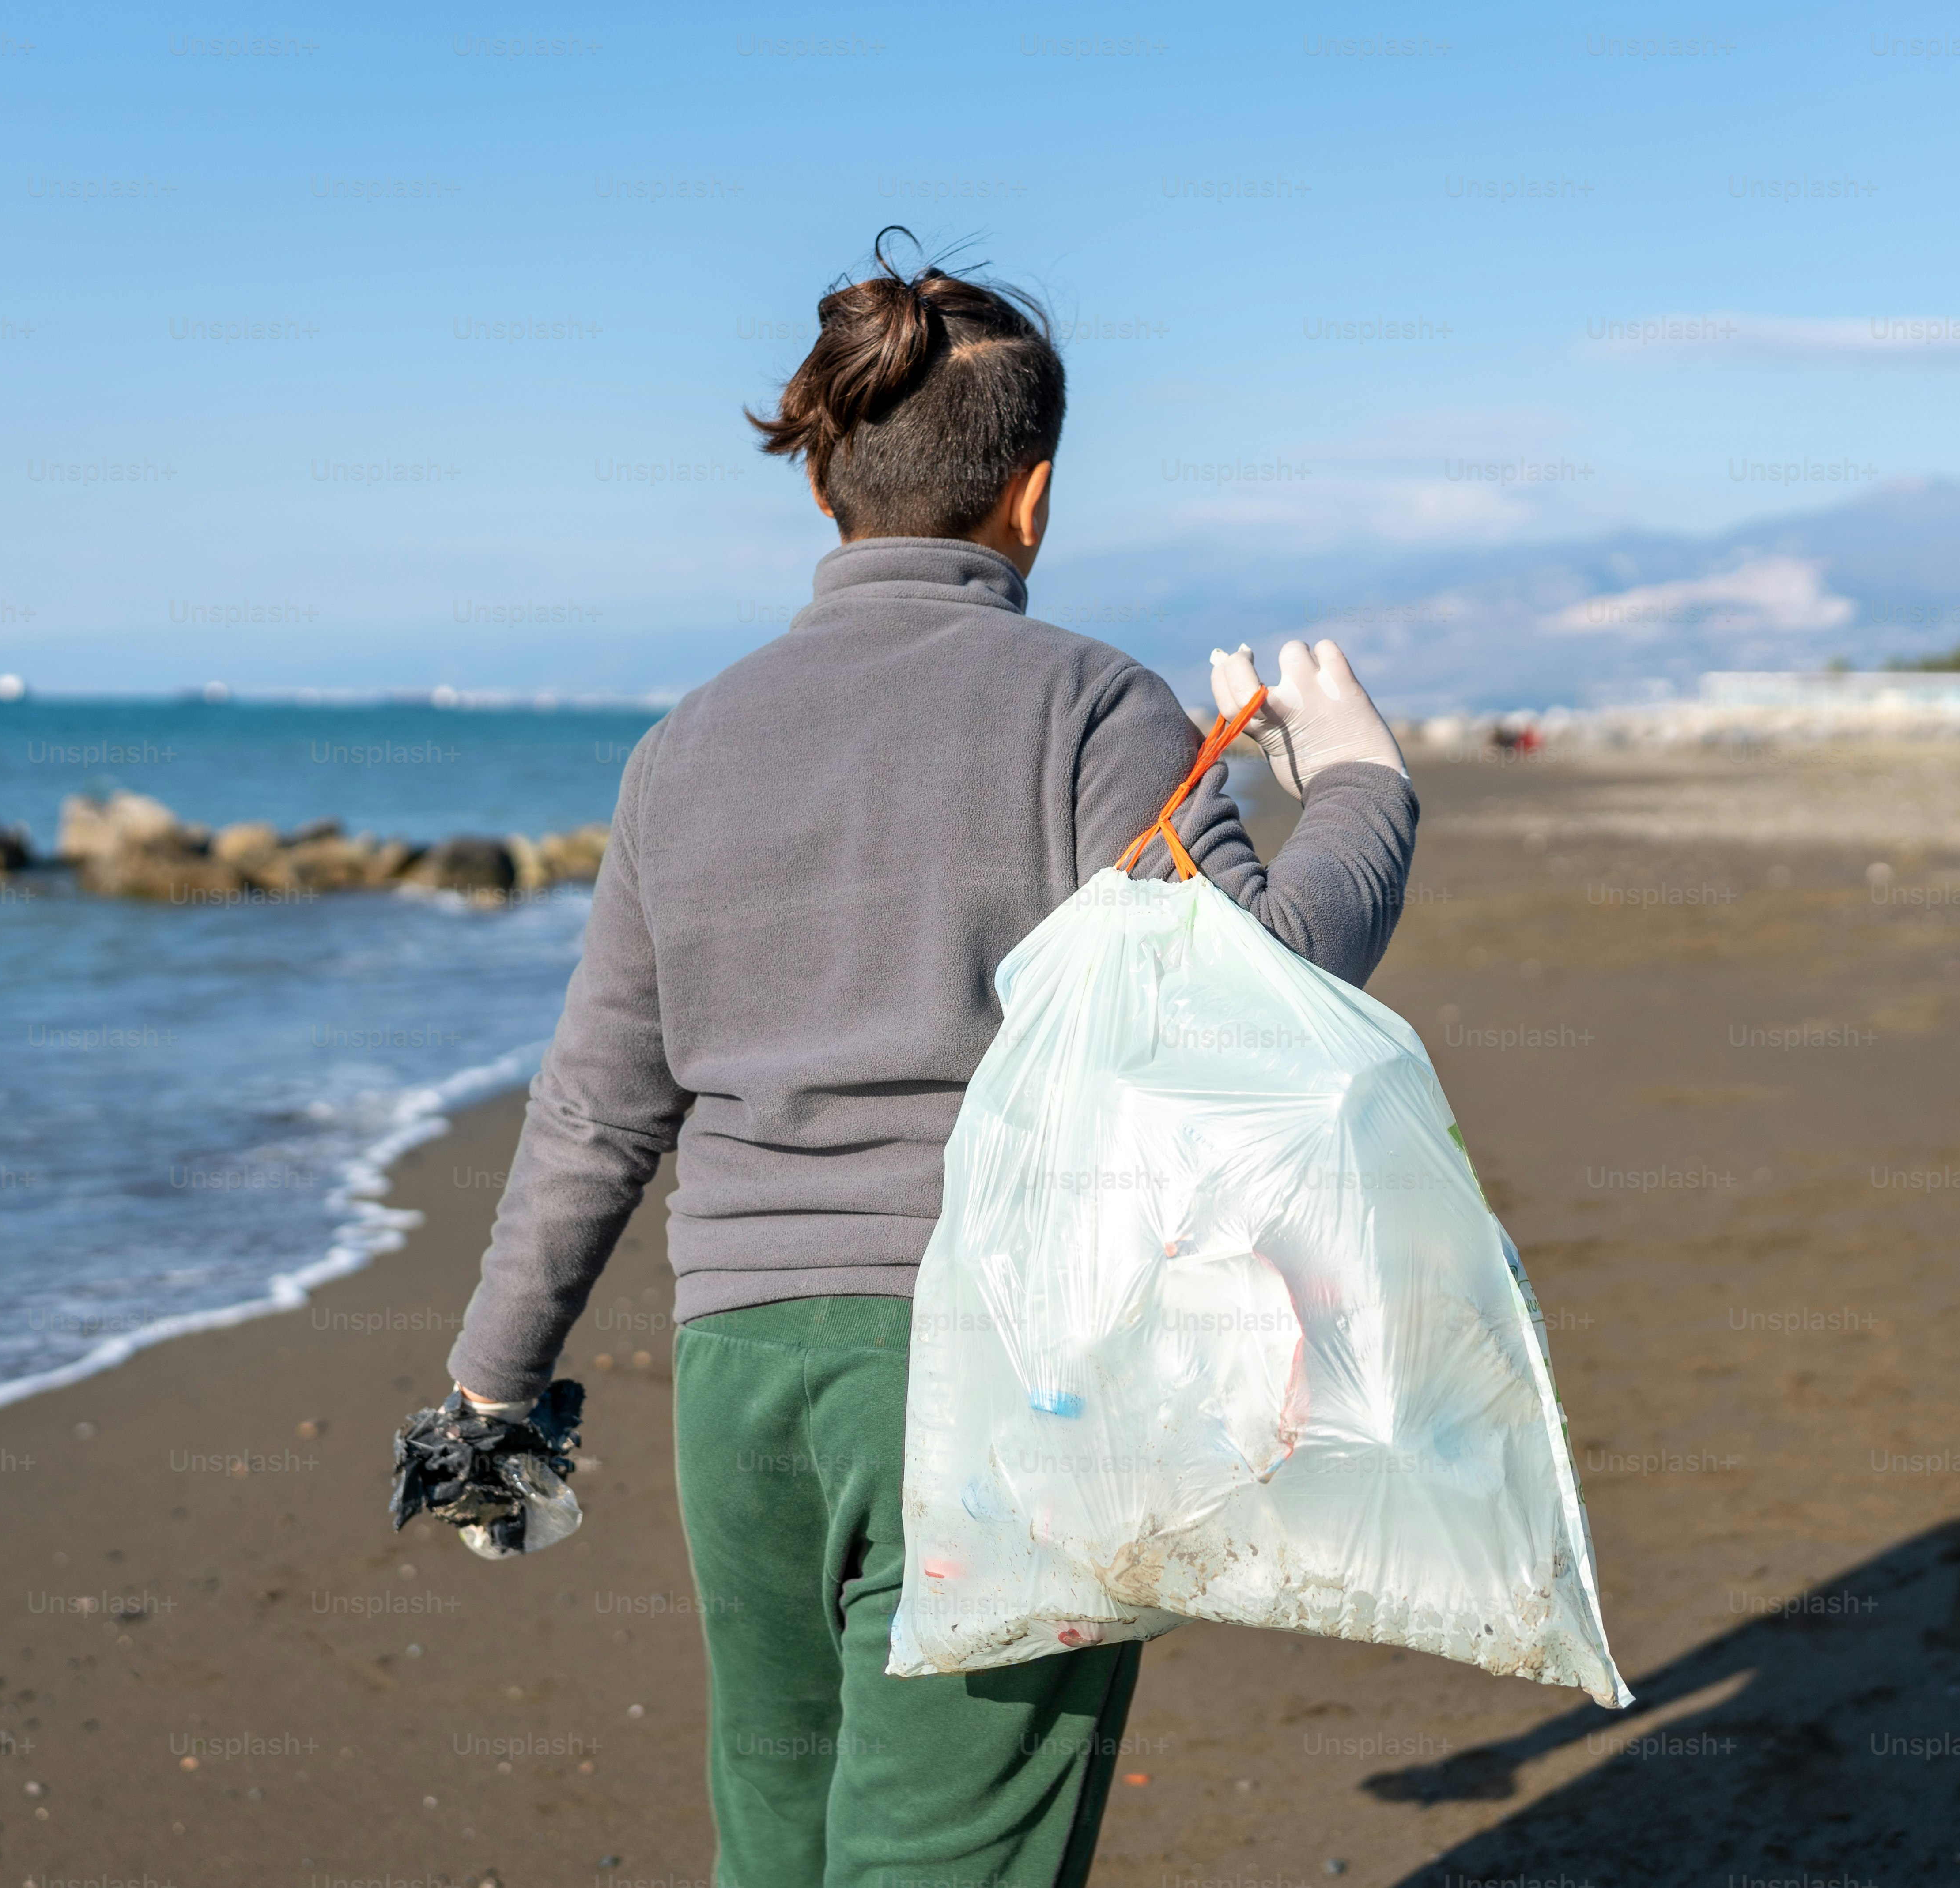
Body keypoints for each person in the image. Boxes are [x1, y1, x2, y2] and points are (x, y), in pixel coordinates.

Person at [446, 230, 1418, 1888]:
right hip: (997, 1366)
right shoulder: (1095, 709)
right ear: (1032, 496)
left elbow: (600, 1108)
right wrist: (1362, 785)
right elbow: (1257, 986)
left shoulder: (685, 747)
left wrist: (488, 1390)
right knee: (947, 1853)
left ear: (824, 484)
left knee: (784, 1833)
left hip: (742, 1383)